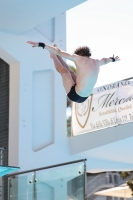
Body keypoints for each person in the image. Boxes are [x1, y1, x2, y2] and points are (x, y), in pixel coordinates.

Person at [27, 41, 120, 103]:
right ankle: (58, 58)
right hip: (84, 97)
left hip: (74, 95)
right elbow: (105, 60)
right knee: (71, 73)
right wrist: (113, 59)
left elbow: (58, 51)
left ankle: (54, 57)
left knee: (64, 72)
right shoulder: (97, 61)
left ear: (79, 54)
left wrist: (41, 45)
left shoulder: (77, 58)